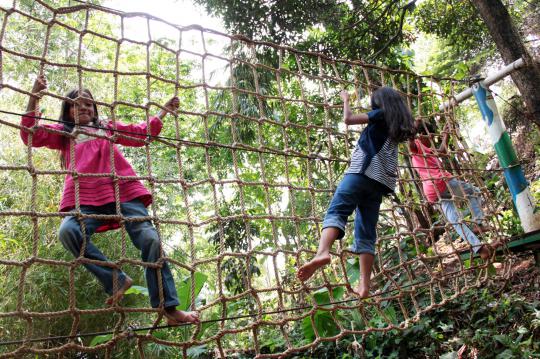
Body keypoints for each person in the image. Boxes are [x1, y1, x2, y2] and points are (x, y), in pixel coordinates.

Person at [20, 74, 199, 325]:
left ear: (94, 109)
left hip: (122, 191)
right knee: (68, 231)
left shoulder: (107, 127)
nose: (83, 107)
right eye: (76, 104)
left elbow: (141, 134)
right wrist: (34, 97)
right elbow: (31, 135)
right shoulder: (64, 134)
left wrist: (162, 113)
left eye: (88, 104)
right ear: (68, 111)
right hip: (86, 199)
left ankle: (168, 309)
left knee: (150, 240)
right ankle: (115, 279)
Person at [297, 87, 416, 298]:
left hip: (361, 172)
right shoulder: (400, 125)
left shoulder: (380, 115)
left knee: (337, 210)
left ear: (381, 103)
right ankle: (364, 285)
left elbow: (349, 118)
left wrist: (345, 99)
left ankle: (323, 251)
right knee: (366, 230)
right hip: (379, 184)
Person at [408, 119, 492, 259]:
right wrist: (412, 131)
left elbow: (442, 150)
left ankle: (480, 249)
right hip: (442, 182)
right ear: (422, 135)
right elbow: (411, 143)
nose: (432, 140)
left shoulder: (426, 149)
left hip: (432, 193)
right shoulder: (416, 146)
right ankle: (478, 223)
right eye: (431, 137)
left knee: (455, 221)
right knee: (475, 192)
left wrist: (446, 133)